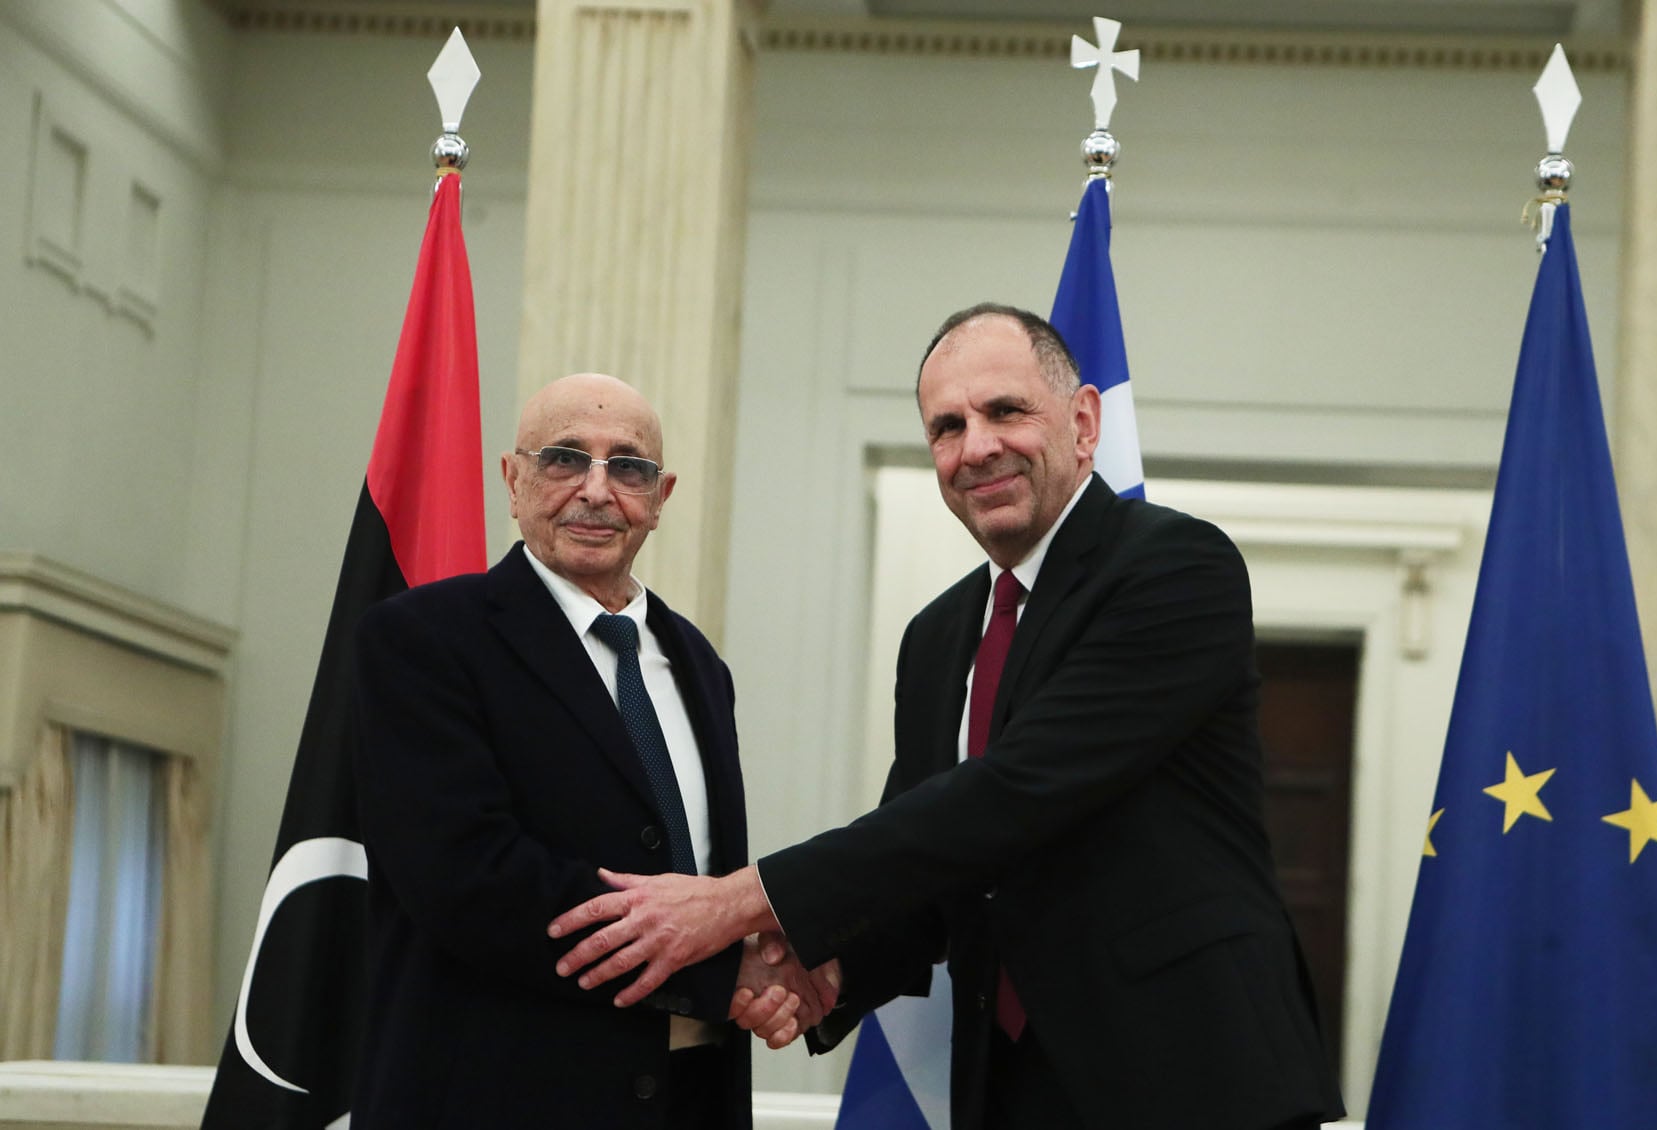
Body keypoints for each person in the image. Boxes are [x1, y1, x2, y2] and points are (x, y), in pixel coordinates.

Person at [547, 309, 1346, 1129]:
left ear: (1083, 424)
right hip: (1010, 1086)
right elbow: (931, 866)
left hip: (1195, 1078)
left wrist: (743, 900)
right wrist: (833, 970)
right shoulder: (937, 636)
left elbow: (1014, 793)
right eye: (947, 427)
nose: (977, 447)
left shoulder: (1176, 568)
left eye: (1005, 411)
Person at [350, 373, 823, 1130]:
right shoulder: (422, 639)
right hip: (498, 1100)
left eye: (628, 467)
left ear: (660, 497)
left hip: (689, 1097)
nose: (596, 491)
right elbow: (468, 879)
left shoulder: (699, 664)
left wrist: (759, 960)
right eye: (565, 459)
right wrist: (721, 966)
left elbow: (706, 875)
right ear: (513, 481)